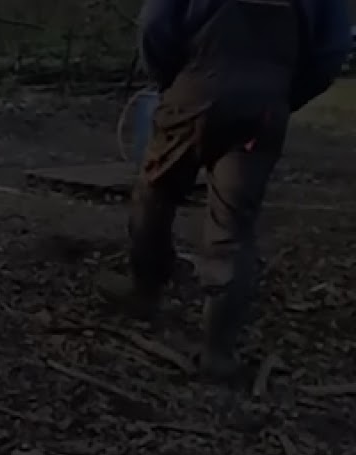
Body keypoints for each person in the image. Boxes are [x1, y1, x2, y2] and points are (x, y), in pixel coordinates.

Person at [95, 0, 351, 381]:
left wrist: (174, 81)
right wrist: (280, 93)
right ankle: (217, 352)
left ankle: (144, 291)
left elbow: (155, 26)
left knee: (157, 189)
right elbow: (331, 51)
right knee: (233, 224)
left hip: (195, 88)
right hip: (264, 104)